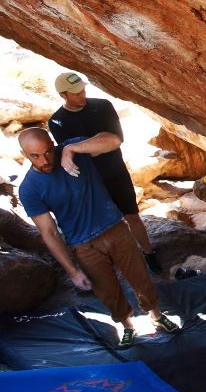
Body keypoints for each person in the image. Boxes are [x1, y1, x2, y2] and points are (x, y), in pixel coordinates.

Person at [17, 128, 179, 348]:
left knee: (139, 276)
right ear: (24, 154)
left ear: (53, 144)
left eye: (47, 152)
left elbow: (112, 140)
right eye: (35, 156)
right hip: (83, 244)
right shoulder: (29, 188)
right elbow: (49, 232)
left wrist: (72, 149)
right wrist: (72, 271)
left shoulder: (73, 150)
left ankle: (156, 316)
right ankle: (128, 327)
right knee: (107, 290)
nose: (44, 160)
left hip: (113, 227)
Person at [48, 72, 162, 274]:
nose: (82, 94)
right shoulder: (57, 121)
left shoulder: (102, 106)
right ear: (63, 95)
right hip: (91, 180)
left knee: (132, 216)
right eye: (76, 93)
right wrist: (92, 145)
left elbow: (114, 140)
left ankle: (149, 253)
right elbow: (91, 149)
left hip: (116, 172)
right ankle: (121, 262)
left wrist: (75, 147)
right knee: (107, 224)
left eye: (83, 90)